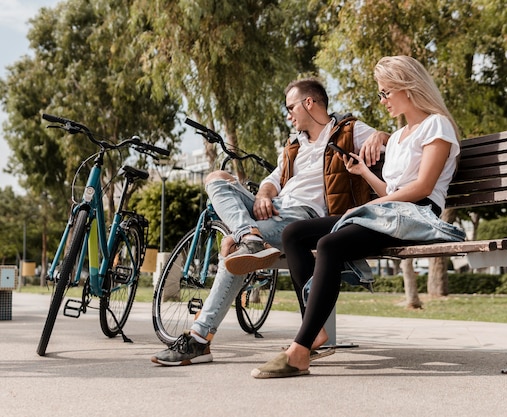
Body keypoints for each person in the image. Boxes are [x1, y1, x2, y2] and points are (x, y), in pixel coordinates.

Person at [250, 55, 466, 379]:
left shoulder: (437, 125)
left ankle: (300, 350)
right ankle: (315, 328)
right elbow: (390, 190)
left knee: (330, 245)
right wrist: (363, 172)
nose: (383, 100)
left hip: (418, 215)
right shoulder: (398, 135)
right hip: (390, 213)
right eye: (381, 93)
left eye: (386, 92)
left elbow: (422, 187)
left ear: (408, 87)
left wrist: (363, 209)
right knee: (293, 233)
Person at [151, 77, 389, 366]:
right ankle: (248, 234)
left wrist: (381, 135)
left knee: (234, 248)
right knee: (217, 179)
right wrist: (263, 195)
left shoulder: (349, 131)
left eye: (291, 107)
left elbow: (390, 140)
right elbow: (272, 180)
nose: (288, 115)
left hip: (306, 219)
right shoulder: (293, 145)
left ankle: (200, 338)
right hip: (275, 210)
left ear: (309, 103)